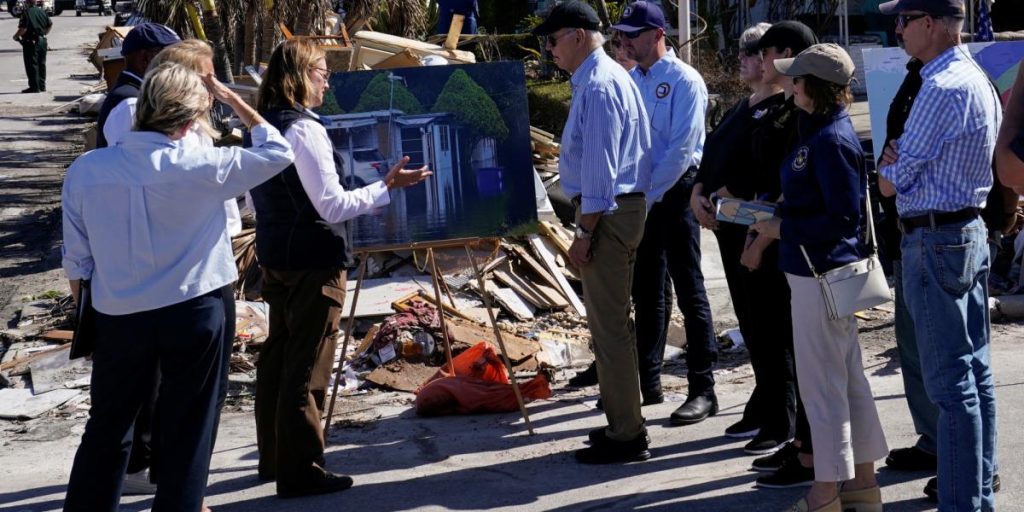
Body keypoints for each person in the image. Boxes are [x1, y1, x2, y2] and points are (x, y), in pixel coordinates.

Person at [62, 62, 293, 512]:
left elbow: (78, 260)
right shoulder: (201, 164)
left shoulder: (87, 170)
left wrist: (86, 323)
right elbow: (277, 151)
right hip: (194, 308)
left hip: (118, 313)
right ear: (191, 120)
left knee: (107, 427)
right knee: (189, 425)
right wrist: (235, 101)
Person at [251, 38, 431, 498]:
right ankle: (301, 469)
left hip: (278, 254)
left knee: (279, 357)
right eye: (319, 71)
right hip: (312, 259)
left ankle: (274, 459)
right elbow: (331, 206)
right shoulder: (303, 129)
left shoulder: (265, 123)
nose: (327, 79)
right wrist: (384, 188)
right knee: (306, 364)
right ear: (296, 76)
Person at [752, 43, 889, 512]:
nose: (788, 83)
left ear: (812, 86)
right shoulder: (820, 132)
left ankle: (825, 491)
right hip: (819, 274)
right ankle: (862, 486)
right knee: (846, 380)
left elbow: (843, 218)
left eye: (796, 77)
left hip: (821, 275)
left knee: (823, 387)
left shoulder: (830, 139)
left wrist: (780, 227)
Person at [878, 1, 1001, 509]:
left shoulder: (939, 86)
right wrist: (895, 162)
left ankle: (963, 502)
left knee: (952, 388)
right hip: (966, 231)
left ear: (929, 23)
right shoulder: (973, 75)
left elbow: (892, 179)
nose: (898, 31)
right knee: (975, 375)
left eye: (903, 21)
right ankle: (977, 489)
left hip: (934, 238)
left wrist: (891, 165)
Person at [533, 1, 652, 464]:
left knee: (610, 330)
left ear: (579, 35)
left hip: (608, 214)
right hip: (613, 212)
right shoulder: (599, 80)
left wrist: (583, 234)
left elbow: (601, 176)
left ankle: (627, 433)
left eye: (554, 38)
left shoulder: (600, 86)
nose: (549, 48)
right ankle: (624, 424)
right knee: (611, 326)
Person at [691, 21, 800, 457]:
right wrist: (700, 192)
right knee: (752, 324)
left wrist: (729, 191)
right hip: (730, 230)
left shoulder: (783, 110)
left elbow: (769, 169)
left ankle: (782, 415)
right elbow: (712, 153)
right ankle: (764, 400)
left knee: (773, 327)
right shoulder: (743, 105)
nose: (742, 58)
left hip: (761, 232)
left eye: (751, 50)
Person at [610, 1, 719, 427]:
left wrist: (650, 195)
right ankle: (647, 381)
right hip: (642, 196)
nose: (625, 42)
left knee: (690, 288)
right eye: (623, 35)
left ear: (657, 35)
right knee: (647, 290)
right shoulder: (631, 80)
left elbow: (679, 151)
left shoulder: (684, 80)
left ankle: (702, 387)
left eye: (633, 35)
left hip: (675, 194)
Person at [739, 20, 819, 489]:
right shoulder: (789, 112)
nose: (765, 63)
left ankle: (812, 453)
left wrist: (763, 238)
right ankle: (803, 444)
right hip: (774, 238)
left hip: (797, 249)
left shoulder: (811, 124)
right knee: (793, 350)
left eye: (770, 54)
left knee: (808, 360)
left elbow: (795, 194)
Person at [96, 23, 181, 149]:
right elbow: (127, 159)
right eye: (172, 57)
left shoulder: (139, 94)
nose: (178, 65)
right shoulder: (130, 103)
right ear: (145, 58)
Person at [12, 0, 51, 93]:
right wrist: (44, 34)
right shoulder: (42, 11)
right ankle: (42, 86)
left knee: (32, 64)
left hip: (31, 42)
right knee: (41, 63)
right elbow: (50, 24)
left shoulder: (26, 12)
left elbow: (23, 28)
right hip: (42, 41)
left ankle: (34, 87)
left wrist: (16, 36)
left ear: (28, 3)